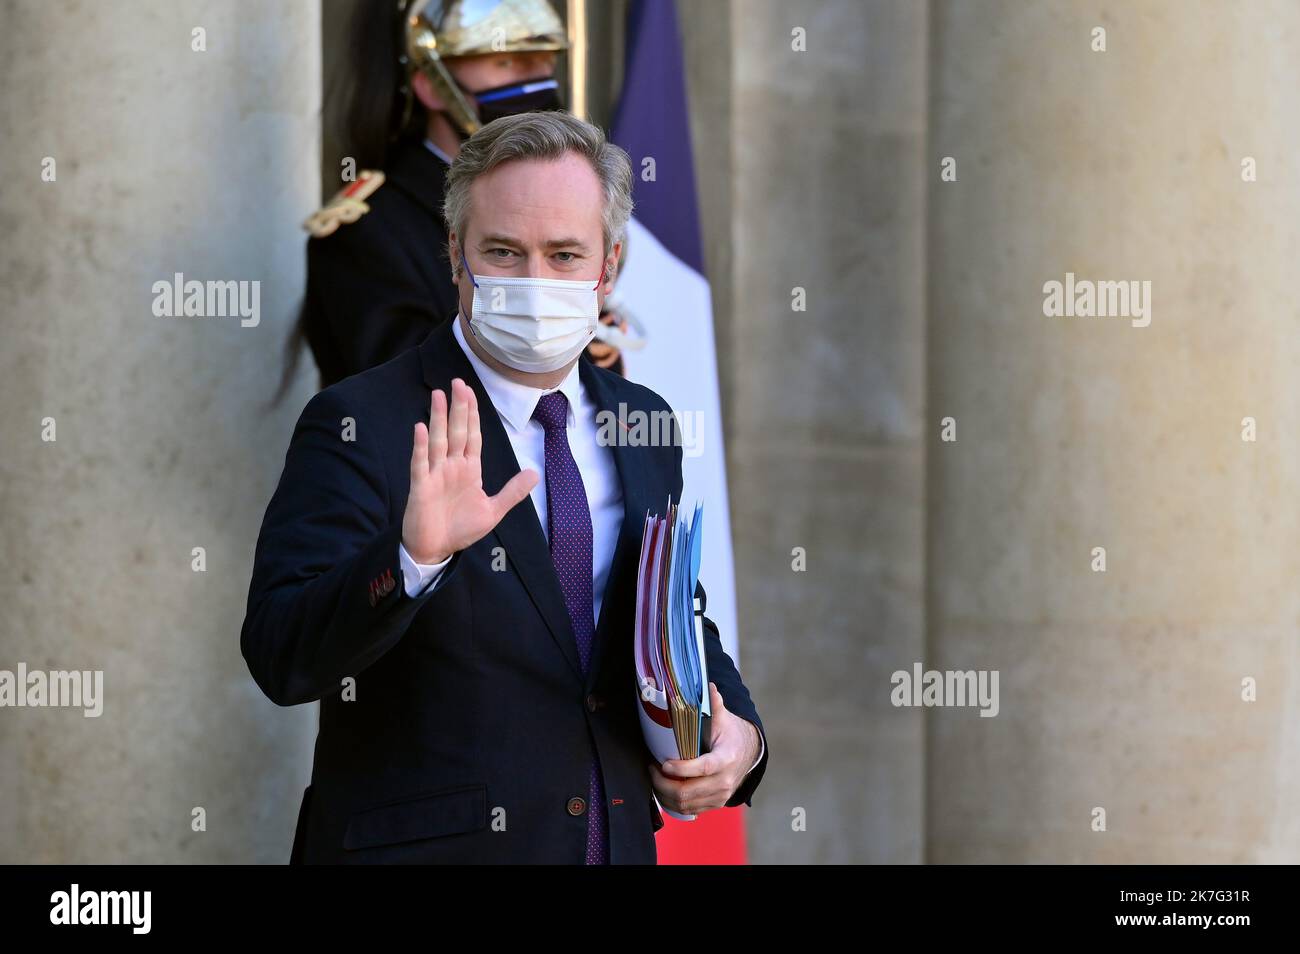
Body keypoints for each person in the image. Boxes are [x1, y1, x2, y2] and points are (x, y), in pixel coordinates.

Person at [242, 111, 768, 864]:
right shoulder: (361, 421)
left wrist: (741, 740)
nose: (533, 281)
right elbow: (280, 654)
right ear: (455, 255)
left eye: (563, 255)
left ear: (608, 266)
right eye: (502, 252)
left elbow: (671, 611)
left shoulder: (643, 421)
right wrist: (412, 560)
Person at [292, 0, 626, 390]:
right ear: (433, 85)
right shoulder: (364, 232)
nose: (536, 80)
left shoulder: (578, 201)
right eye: (507, 62)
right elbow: (409, 394)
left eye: (542, 60)